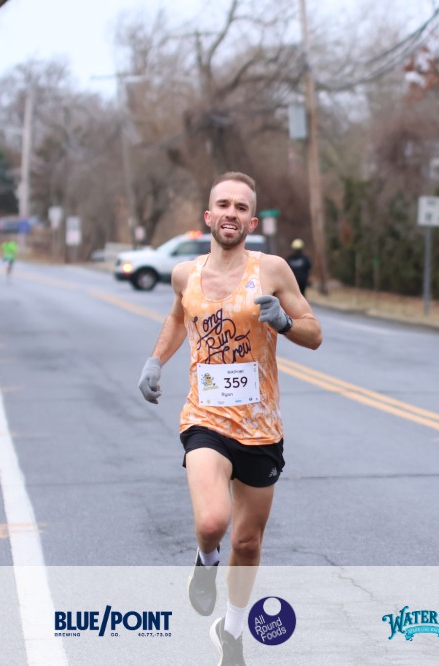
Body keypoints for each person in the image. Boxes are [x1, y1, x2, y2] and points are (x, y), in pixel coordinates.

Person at [137, 172, 322, 665]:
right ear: (208, 216)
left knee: (248, 540)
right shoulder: (186, 275)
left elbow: (314, 332)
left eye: (241, 207)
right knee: (215, 521)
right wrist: (155, 361)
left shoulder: (272, 270)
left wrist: (285, 322)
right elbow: (179, 317)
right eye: (223, 204)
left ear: (251, 222)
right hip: (205, 419)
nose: (231, 213)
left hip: (260, 428)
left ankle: (232, 631)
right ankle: (205, 558)